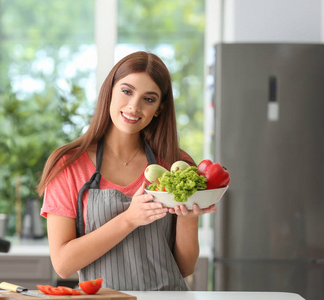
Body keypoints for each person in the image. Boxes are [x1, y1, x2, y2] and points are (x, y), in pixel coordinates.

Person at [37, 51, 216, 291]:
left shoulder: (176, 165)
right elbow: (63, 263)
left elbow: (184, 268)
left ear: (159, 109)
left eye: (148, 99)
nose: (134, 106)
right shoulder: (69, 165)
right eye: (126, 91)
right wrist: (129, 219)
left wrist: (189, 219)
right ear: (109, 91)